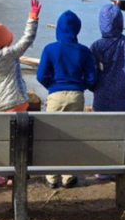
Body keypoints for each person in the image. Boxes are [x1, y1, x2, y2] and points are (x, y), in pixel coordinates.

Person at [0, 0, 41, 187]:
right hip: (17, 104)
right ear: (3, 41)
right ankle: (13, 177)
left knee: (0, 140)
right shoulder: (8, 55)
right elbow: (27, 39)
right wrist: (33, 17)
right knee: (19, 140)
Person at [37, 10, 97, 189]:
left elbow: (41, 75)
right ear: (77, 29)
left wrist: (51, 86)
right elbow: (92, 78)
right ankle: (68, 176)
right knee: (72, 136)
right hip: (77, 96)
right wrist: (81, 85)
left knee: (52, 135)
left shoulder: (50, 49)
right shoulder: (84, 51)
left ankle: (51, 177)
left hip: (55, 96)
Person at [90, 3, 125, 112]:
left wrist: (94, 87)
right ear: (120, 21)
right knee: (121, 127)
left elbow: (91, 73)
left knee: (101, 127)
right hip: (123, 96)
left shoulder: (96, 46)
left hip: (101, 97)